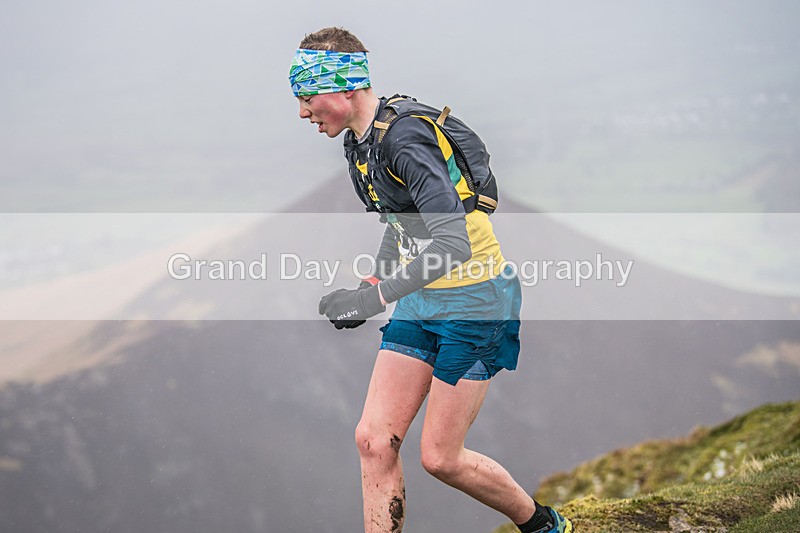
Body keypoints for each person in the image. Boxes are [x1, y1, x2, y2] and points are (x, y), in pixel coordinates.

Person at [289, 27, 573, 533]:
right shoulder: (361, 143)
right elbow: (401, 224)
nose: (303, 112)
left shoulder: (404, 138)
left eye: (308, 98)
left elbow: (452, 245)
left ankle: (544, 526)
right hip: (422, 301)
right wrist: (370, 288)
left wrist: (374, 297)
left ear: (344, 89)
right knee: (373, 441)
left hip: (475, 300)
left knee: (441, 458)